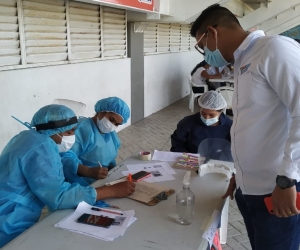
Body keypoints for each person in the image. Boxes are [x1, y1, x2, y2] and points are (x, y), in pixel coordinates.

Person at [191, 4, 300, 250]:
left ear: (212, 32)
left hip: (276, 189)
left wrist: (287, 180)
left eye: (202, 45)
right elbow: (253, 125)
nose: (205, 53)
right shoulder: (242, 62)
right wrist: (240, 175)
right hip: (249, 188)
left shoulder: (273, 50)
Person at [0, 104, 135, 248]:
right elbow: (58, 195)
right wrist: (111, 191)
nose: (72, 137)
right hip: (9, 216)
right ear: (55, 130)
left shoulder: (29, 137)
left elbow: (59, 160)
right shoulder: (42, 149)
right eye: (69, 132)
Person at [61, 97, 130, 186]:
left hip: (102, 179)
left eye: (117, 124)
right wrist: (87, 171)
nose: (112, 126)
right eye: (111, 120)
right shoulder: (82, 129)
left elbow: (110, 156)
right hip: (81, 182)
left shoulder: (111, 134)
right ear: (101, 112)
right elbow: (65, 156)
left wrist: (113, 169)